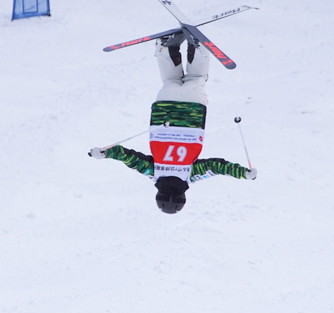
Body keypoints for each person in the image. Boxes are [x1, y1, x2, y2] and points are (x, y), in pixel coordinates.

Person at [89, 37, 257, 214]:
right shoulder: (152, 171)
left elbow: (217, 167)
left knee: (196, 79)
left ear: (183, 197)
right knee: (170, 81)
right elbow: (127, 157)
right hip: (164, 108)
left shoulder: (190, 175)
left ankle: (198, 47)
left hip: (192, 110)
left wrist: (244, 173)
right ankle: (165, 48)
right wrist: (104, 153)